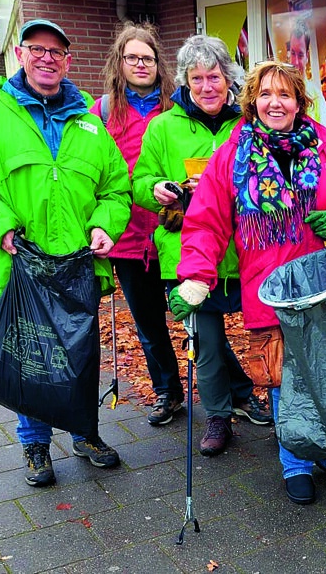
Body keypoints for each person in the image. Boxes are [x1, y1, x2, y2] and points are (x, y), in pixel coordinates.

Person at [171, 60, 326, 505]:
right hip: (272, 292)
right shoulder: (233, 154)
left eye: (284, 94)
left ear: (299, 101)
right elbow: (205, 222)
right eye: (265, 93)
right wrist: (194, 278)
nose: (274, 102)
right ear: (252, 102)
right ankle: (297, 460)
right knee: (286, 380)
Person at [0, 19, 132, 487]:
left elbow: (117, 186)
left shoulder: (88, 118)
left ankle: (85, 433)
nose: (47, 58)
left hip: (78, 266)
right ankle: (36, 445)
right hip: (21, 261)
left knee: (81, 355)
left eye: (56, 51)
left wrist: (106, 224)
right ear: (20, 55)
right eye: (36, 49)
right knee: (30, 360)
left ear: (68, 59)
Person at [132, 35, 272, 455]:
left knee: (265, 334)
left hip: (248, 252)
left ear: (228, 78)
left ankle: (261, 398)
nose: (207, 87)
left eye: (214, 77)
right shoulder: (163, 127)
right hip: (188, 254)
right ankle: (217, 415)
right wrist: (158, 188)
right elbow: (138, 184)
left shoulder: (252, 124)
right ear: (185, 82)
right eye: (197, 79)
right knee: (206, 344)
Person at [91, 22, 183, 427]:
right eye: (132, 58)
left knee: (198, 314)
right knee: (149, 323)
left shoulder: (178, 106)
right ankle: (168, 392)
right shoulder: (102, 111)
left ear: (159, 64)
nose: (141, 64)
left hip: (174, 229)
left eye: (148, 57)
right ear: (120, 62)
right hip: (128, 239)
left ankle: (231, 390)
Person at [288, 17, 326, 125]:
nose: (296, 62)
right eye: (293, 53)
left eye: (300, 55)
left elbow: (325, 136)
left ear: (307, 56)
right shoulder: (279, 92)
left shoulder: (316, 96)